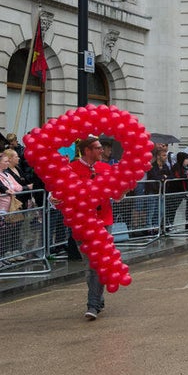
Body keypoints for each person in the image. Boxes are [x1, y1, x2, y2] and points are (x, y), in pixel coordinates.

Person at [67, 136, 115, 320]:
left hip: (104, 221)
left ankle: (92, 305)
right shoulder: (71, 169)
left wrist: (123, 189)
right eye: (98, 148)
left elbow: (116, 195)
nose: (102, 151)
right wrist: (54, 200)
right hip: (81, 222)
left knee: (97, 263)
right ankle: (98, 299)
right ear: (87, 150)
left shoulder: (106, 168)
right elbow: (59, 194)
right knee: (90, 265)